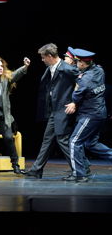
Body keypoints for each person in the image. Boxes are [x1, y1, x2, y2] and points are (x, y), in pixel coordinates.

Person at [22, 43, 78, 179]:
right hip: (54, 110)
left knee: (62, 140)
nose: (42, 60)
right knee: (47, 140)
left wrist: (74, 101)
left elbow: (81, 81)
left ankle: (81, 169)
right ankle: (36, 170)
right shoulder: (52, 67)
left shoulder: (66, 68)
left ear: (50, 56)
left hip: (63, 109)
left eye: (43, 57)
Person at [64, 48, 112, 182]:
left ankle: (80, 174)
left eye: (77, 61)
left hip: (90, 115)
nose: (75, 63)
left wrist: (75, 95)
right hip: (100, 113)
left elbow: (76, 95)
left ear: (83, 64)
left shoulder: (85, 79)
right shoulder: (99, 70)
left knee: (74, 142)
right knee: (91, 143)